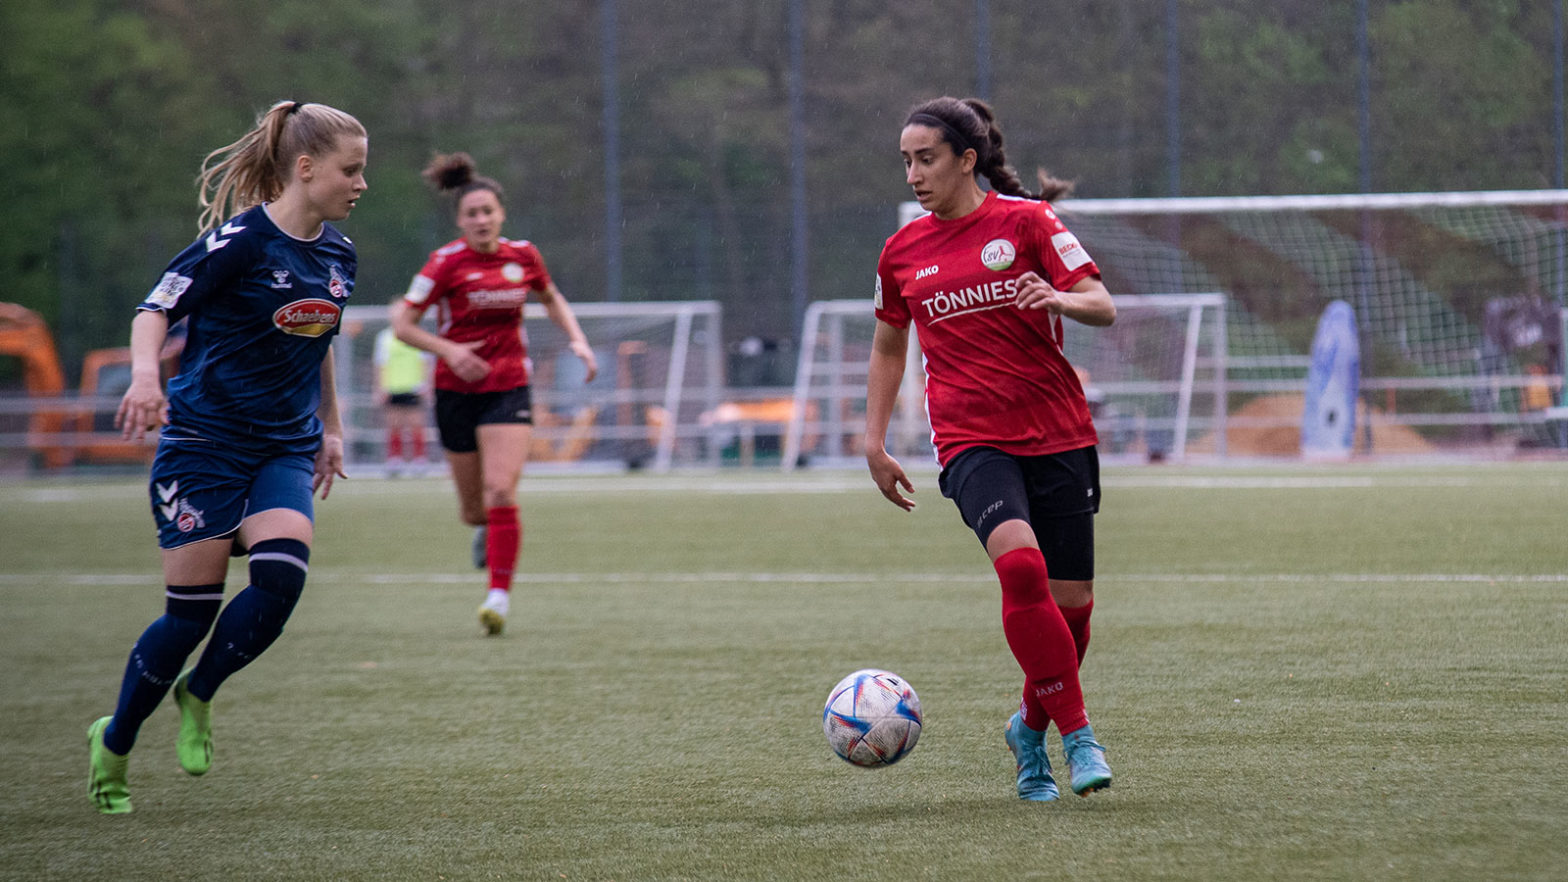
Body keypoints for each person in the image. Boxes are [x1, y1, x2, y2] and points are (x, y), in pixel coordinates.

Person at [88, 100, 367, 815]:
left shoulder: (339, 254)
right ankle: (115, 741)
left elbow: (319, 340)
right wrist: (147, 377)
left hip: (283, 443)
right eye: (352, 170)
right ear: (306, 169)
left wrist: (331, 427)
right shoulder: (238, 244)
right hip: (205, 445)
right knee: (190, 615)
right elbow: (155, 309)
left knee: (281, 577)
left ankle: (200, 691)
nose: (362, 184)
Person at [864, 97, 1115, 802]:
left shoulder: (1028, 223)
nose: (914, 174)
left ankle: (1028, 728)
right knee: (1023, 572)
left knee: (1074, 609)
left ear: (966, 160)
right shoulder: (901, 252)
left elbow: (1102, 302)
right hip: (973, 441)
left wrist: (1061, 301)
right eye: (906, 160)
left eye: (927, 158)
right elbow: (889, 345)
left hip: (1059, 433)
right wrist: (872, 439)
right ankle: (1077, 737)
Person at [391, 152, 598, 636]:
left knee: (502, 489)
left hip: (508, 387)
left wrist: (577, 339)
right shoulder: (443, 264)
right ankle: (487, 528)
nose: (481, 220)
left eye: (488, 212)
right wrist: (449, 351)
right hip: (455, 393)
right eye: (471, 214)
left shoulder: (523, 256)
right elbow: (402, 325)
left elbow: (551, 298)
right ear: (459, 221)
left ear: (501, 215)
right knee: (474, 510)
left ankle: (497, 597)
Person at [373, 324, 433, 475]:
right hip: (393, 387)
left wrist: (427, 384)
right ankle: (395, 460)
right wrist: (380, 388)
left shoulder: (418, 334)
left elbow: (426, 362)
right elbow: (380, 364)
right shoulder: (385, 337)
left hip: (413, 387)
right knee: (394, 424)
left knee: (417, 424)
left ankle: (420, 460)